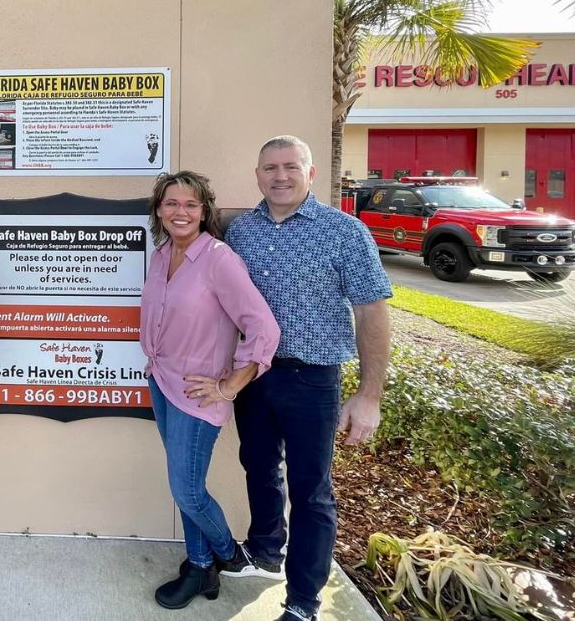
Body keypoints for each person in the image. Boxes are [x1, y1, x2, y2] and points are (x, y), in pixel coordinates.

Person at [216, 136, 391, 621]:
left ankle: (302, 598)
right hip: (252, 376)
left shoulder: (344, 232)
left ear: (311, 174)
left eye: (291, 167)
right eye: (269, 167)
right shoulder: (242, 232)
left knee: (311, 489)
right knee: (258, 466)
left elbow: (371, 313)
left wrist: (369, 395)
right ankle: (265, 549)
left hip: (313, 380)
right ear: (257, 175)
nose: (280, 176)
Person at [140, 171, 280, 610]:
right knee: (186, 481)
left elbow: (263, 327)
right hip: (162, 382)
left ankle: (226, 552)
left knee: (187, 490)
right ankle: (200, 567)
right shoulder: (162, 255)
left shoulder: (219, 259)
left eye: (190, 205)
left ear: (205, 212)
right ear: (159, 210)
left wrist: (230, 385)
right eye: (171, 203)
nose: (180, 212)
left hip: (199, 395)